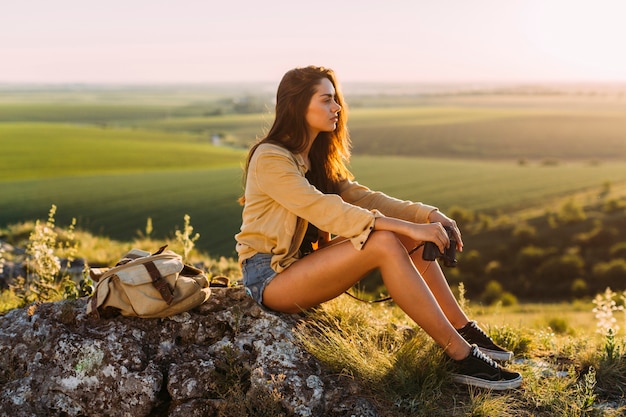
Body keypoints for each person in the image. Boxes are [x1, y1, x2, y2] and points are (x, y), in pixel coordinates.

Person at [235, 65, 522, 390]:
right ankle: (459, 356)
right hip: (268, 278)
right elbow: (323, 208)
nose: (337, 108)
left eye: (336, 99)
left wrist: (427, 216)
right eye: (327, 100)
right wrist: (409, 228)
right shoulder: (271, 158)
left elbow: (361, 197)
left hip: (300, 268)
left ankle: (463, 330)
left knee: (397, 235)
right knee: (384, 242)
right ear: (298, 106)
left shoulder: (314, 157)